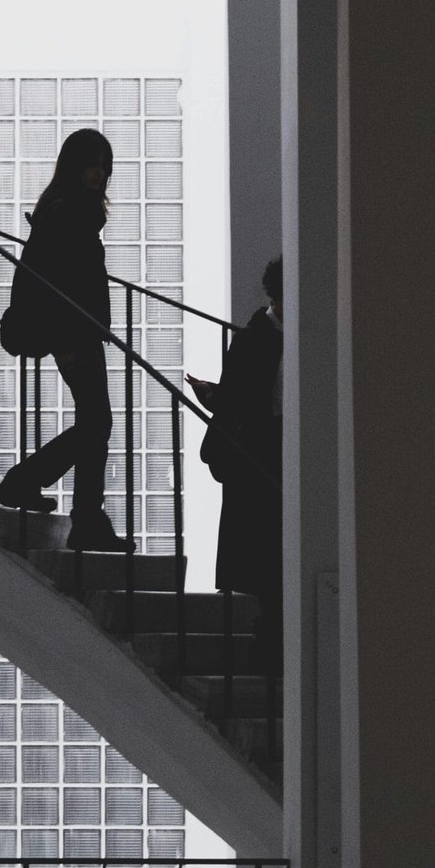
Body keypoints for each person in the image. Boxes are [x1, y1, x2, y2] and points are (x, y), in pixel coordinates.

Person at [0, 127, 124, 551]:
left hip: (77, 328)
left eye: (105, 165)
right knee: (97, 421)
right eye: (92, 163)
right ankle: (59, 502)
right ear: (75, 165)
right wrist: (84, 323)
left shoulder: (68, 209)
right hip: (72, 330)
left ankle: (80, 514)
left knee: (95, 421)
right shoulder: (67, 212)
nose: (100, 173)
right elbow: (60, 277)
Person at [189, 256, 284, 666]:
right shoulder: (255, 336)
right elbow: (242, 394)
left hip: (281, 446)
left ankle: (271, 639)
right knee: (267, 547)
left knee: (274, 547)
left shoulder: (281, 334)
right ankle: (269, 641)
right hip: (262, 449)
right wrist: (216, 398)